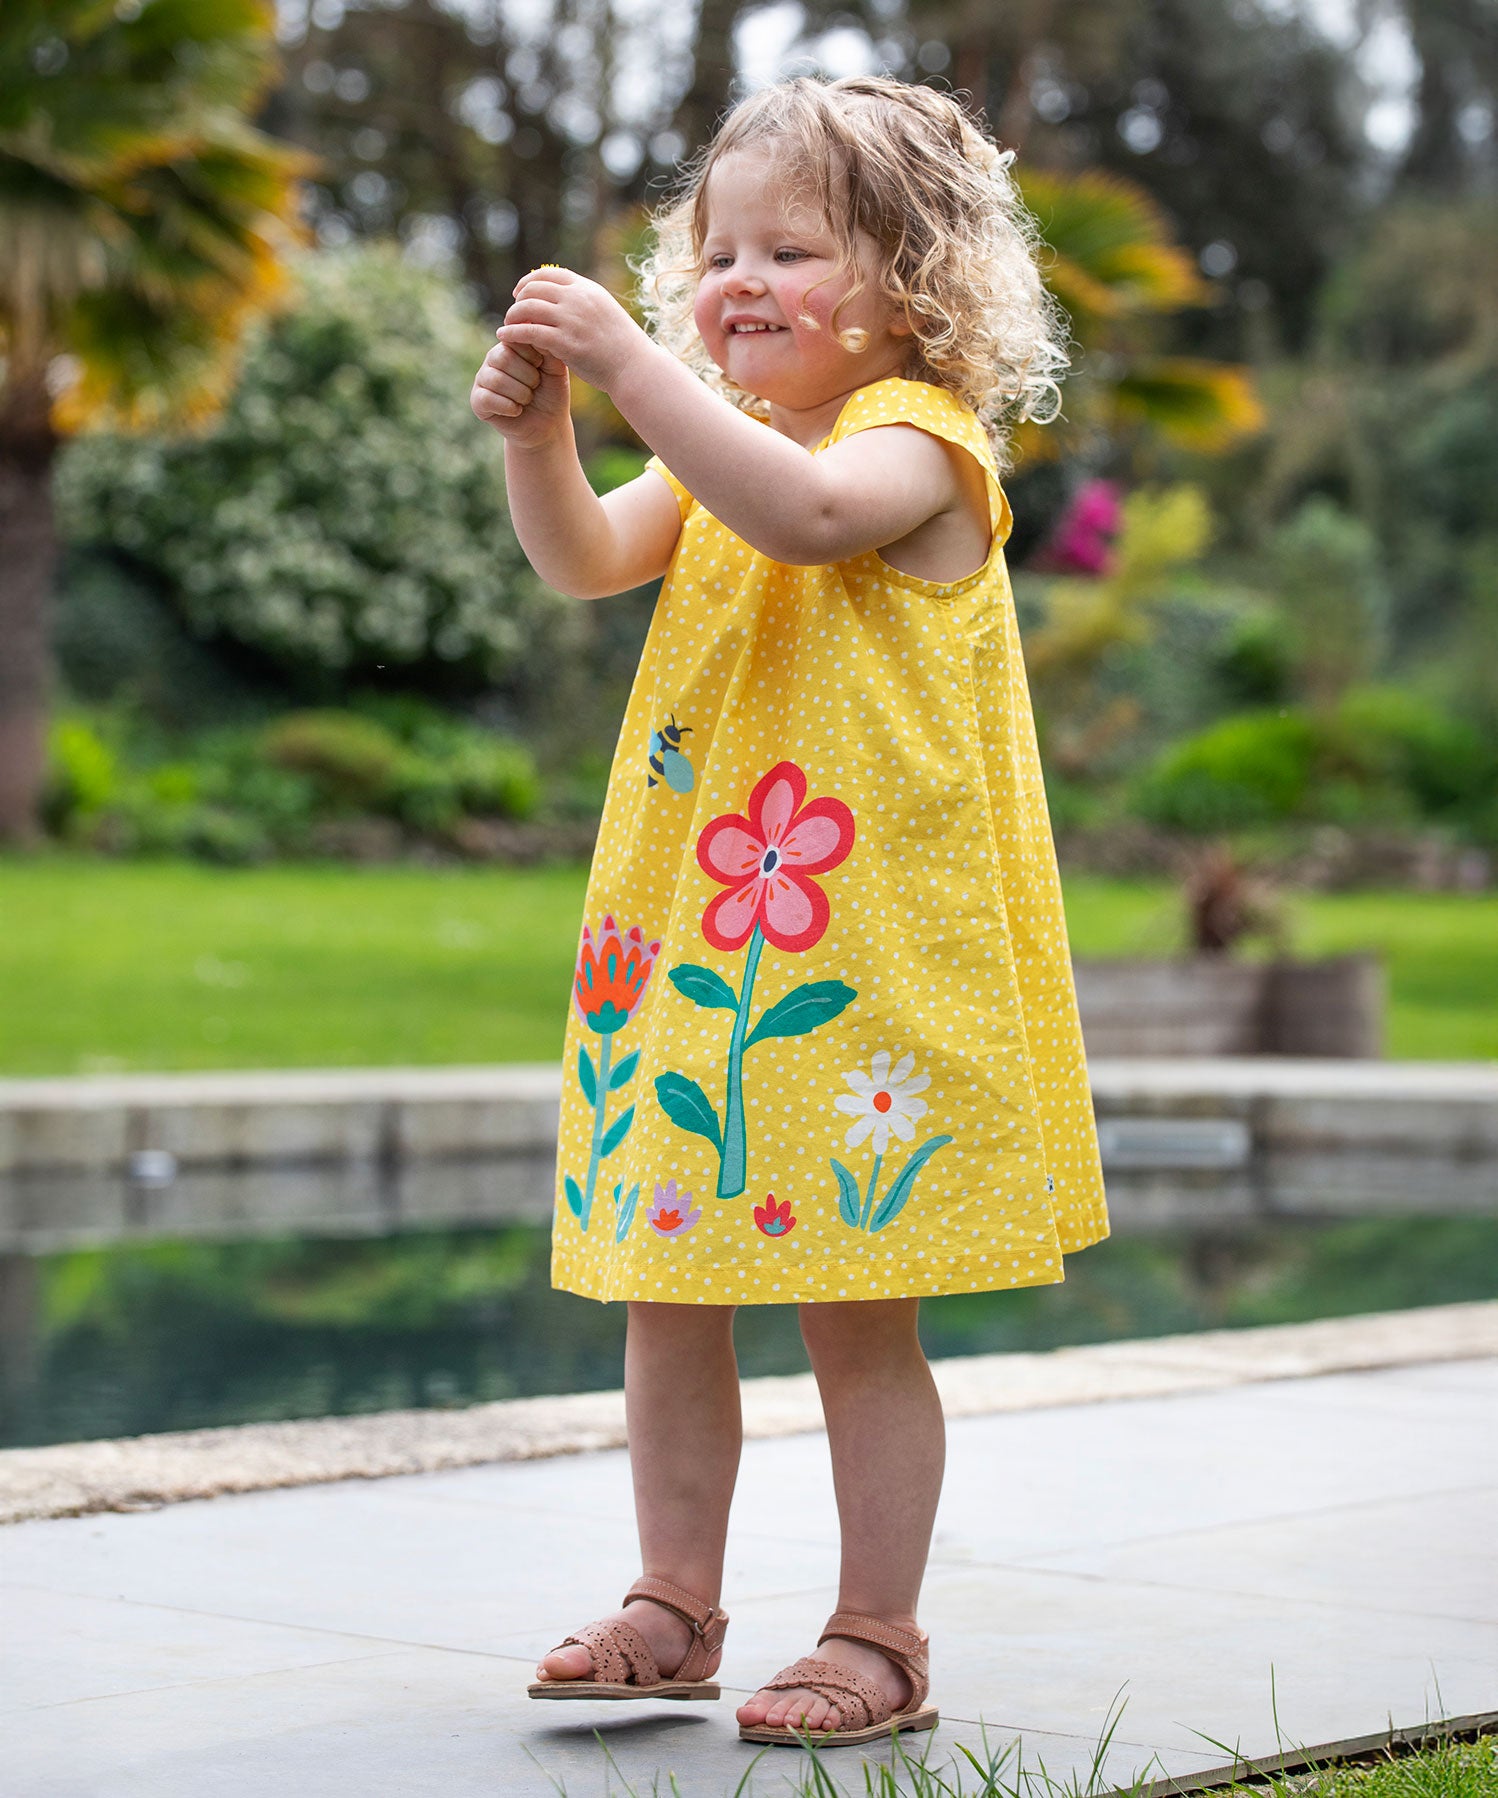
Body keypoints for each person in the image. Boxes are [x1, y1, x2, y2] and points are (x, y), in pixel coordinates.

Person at [469, 71, 1109, 1750]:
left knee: (851, 1304)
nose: (737, 279)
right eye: (718, 249)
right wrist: (546, 433)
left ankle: (876, 1631)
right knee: (666, 1288)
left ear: (910, 284)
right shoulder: (728, 443)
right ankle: (672, 1599)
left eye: (791, 250)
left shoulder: (912, 446)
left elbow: (802, 517)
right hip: (698, 946)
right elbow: (589, 559)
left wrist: (629, 367)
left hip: (851, 956)